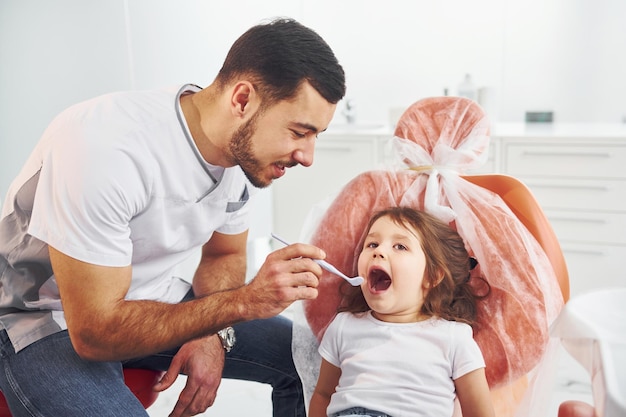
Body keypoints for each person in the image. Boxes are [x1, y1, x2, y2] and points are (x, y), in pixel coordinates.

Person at [0, 17, 345, 417]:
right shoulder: (104, 149)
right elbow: (95, 332)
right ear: (243, 100)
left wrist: (212, 333)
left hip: (144, 297)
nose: (308, 156)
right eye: (299, 132)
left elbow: (224, 255)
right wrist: (242, 302)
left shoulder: (241, 158)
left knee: (312, 363)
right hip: (44, 317)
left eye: (316, 135)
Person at [308, 207, 494, 417]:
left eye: (400, 246)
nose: (378, 251)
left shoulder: (454, 338)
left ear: (432, 276)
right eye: (372, 244)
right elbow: (323, 394)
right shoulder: (344, 326)